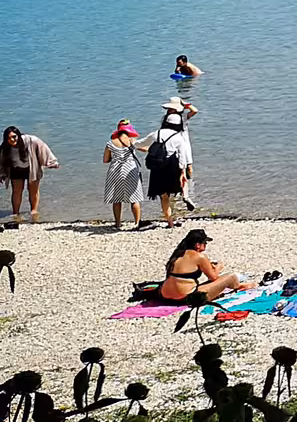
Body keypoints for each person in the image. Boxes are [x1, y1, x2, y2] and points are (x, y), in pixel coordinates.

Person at [159, 228, 255, 302]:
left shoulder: (177, 254)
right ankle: (239, 286)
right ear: (197, 245)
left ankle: (240, 285)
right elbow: (214, 278)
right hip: (186, 298)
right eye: (204, 243)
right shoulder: (200, 257)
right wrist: (218, 268)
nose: (205, 245)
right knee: (230, 277)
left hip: (164, 295)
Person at [148, 97, 196, 227]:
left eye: (170, 108)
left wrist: (185, 104)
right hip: (181, 149)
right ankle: (185, 194)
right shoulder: (176, 119)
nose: (168, 110)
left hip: (175, 151)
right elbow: (195, 111)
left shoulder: (178, 118)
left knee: (184, 174)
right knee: (184, 173)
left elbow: (194, 110)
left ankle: (184, 195)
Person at [2, 125, 58, 224]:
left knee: (33, 190)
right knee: (16, 191)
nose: (12, 139)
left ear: (18, 135)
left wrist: (51, 162)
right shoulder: (5, 147)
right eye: (9, 138)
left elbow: (43, 148)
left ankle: (34, 211)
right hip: (16, 169)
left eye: (14, 137)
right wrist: (2, 173)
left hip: (32, 167)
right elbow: (1, 161)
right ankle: (16, 213)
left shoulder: (31, 140)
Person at [103, 119, 149, 229]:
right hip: (130, 170)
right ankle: (137, 223)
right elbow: (145, 149)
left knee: (116, 199)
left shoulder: (110, 143)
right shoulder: (132, 141)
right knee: (134, 198)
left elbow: (105, 160)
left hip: (115, 171)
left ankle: (118, 224)